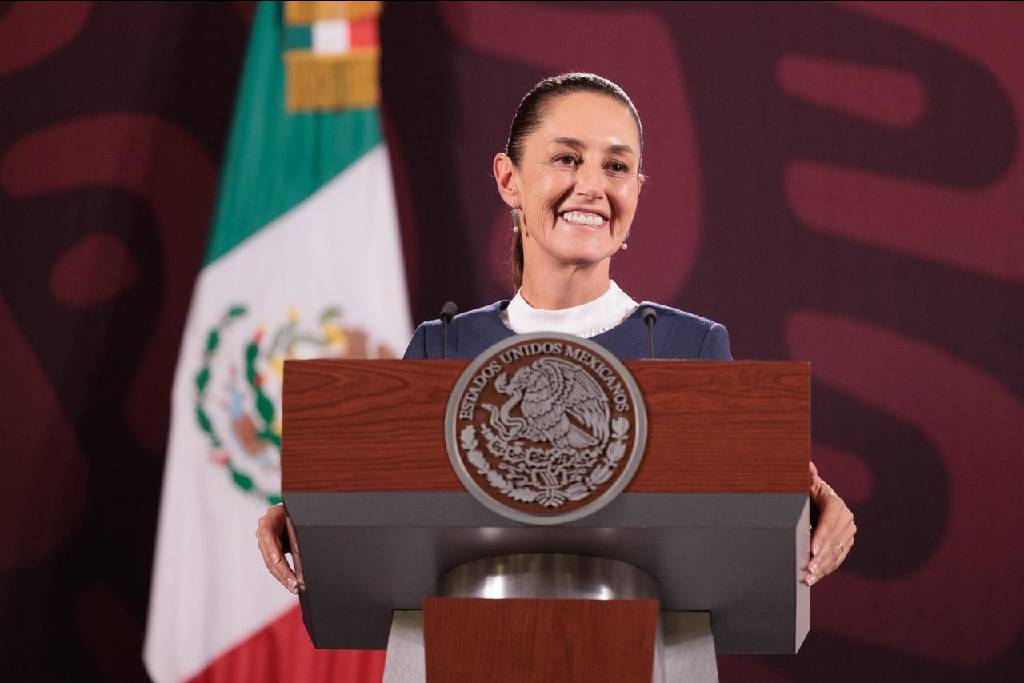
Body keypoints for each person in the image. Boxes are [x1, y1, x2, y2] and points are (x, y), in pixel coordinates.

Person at [256, 72, 855, 593]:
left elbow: (742, 518)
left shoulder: (690, 349)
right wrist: (307, 515)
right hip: (464, 647)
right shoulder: (443, 348)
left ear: (636, 191)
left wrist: (811, 505)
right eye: (566, 158)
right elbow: (385, 513)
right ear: (509, 180)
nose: (593, 186)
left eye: (616, 166)